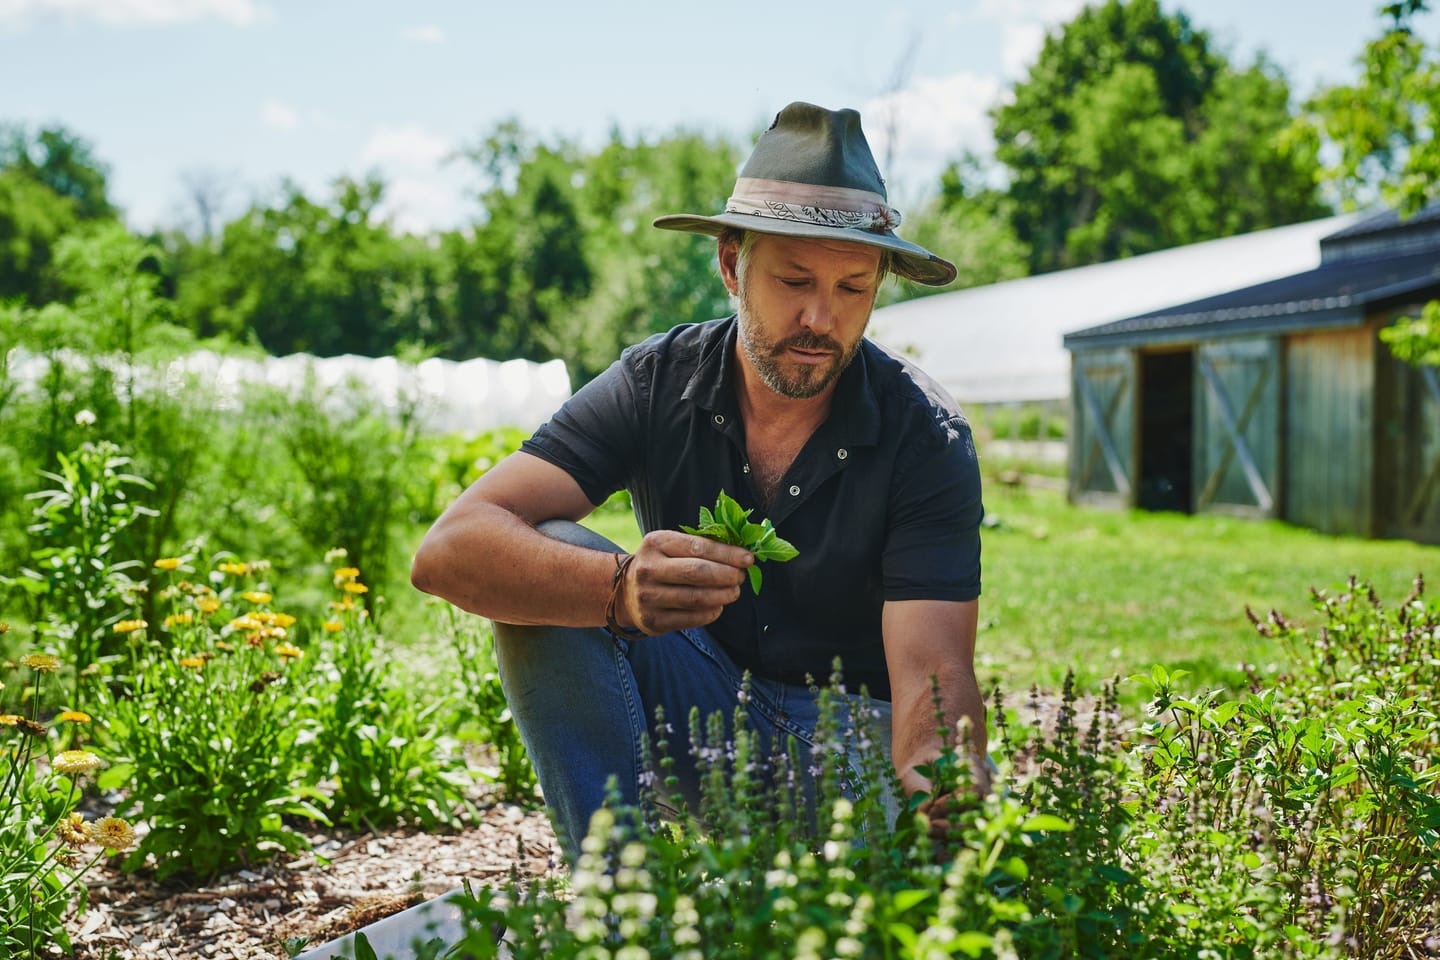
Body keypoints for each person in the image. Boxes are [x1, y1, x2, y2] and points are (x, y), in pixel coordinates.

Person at [411, 101, 988, 864]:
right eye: (792, 280)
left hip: (850, 755)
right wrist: (616, 589)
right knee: (544, 550)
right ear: (730, 264)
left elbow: (933, 672)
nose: (821, 318)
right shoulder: (656, 382)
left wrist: (942, 783)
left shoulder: (924, 432)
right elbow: (448, 550)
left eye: (854, 288)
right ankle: (620, 903)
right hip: (700, 728)